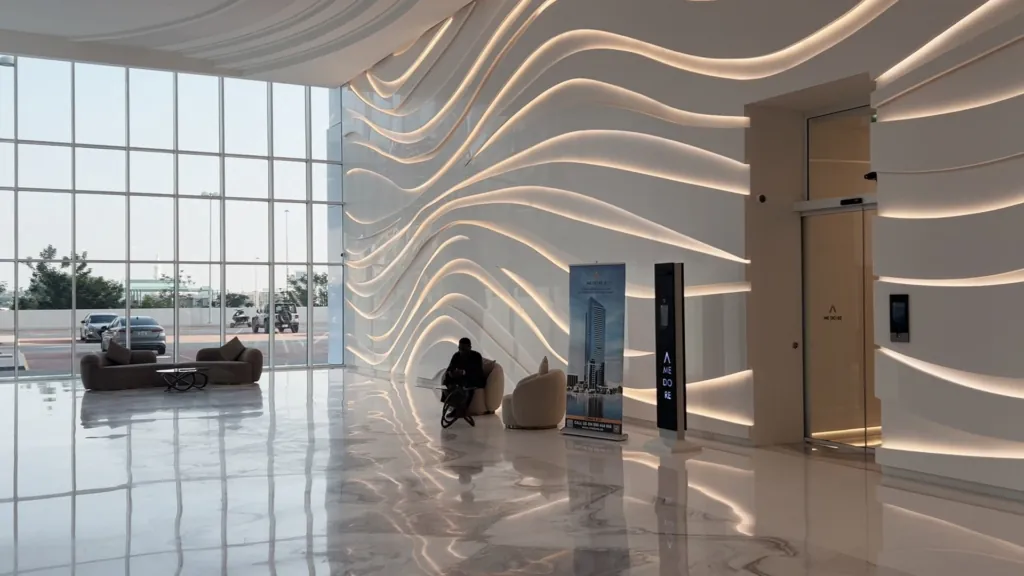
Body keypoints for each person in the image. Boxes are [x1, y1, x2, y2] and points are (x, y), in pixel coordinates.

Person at [442, 338, 485, 425]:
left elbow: (477, 372)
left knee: (464, 385)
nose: (461, 351)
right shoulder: (456, 356)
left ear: (470, 347)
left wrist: (464, 372)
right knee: (448, 383)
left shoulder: (476, 356)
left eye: (464, 349)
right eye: (460, 349)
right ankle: (456, 407)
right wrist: (451, 373)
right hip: (459, 379)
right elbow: (450, 368)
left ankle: (461, 409)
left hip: (472, 379)